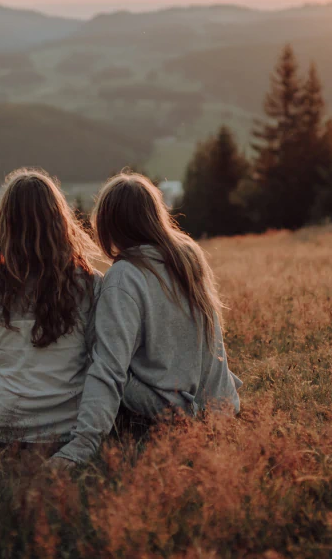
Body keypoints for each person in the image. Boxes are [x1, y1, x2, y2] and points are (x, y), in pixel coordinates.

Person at [52, 172, 242, 465]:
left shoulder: (124, 276)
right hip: (220, 406)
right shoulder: (188, 253)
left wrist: (82, 445)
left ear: (109, 224)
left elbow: (108, 370)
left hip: (173, 411)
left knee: (92, 353)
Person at [0, 168, 104, 446]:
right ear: (61, 221)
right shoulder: (91, 284)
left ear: (4, 224)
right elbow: (99, 360)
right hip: (70, 427)